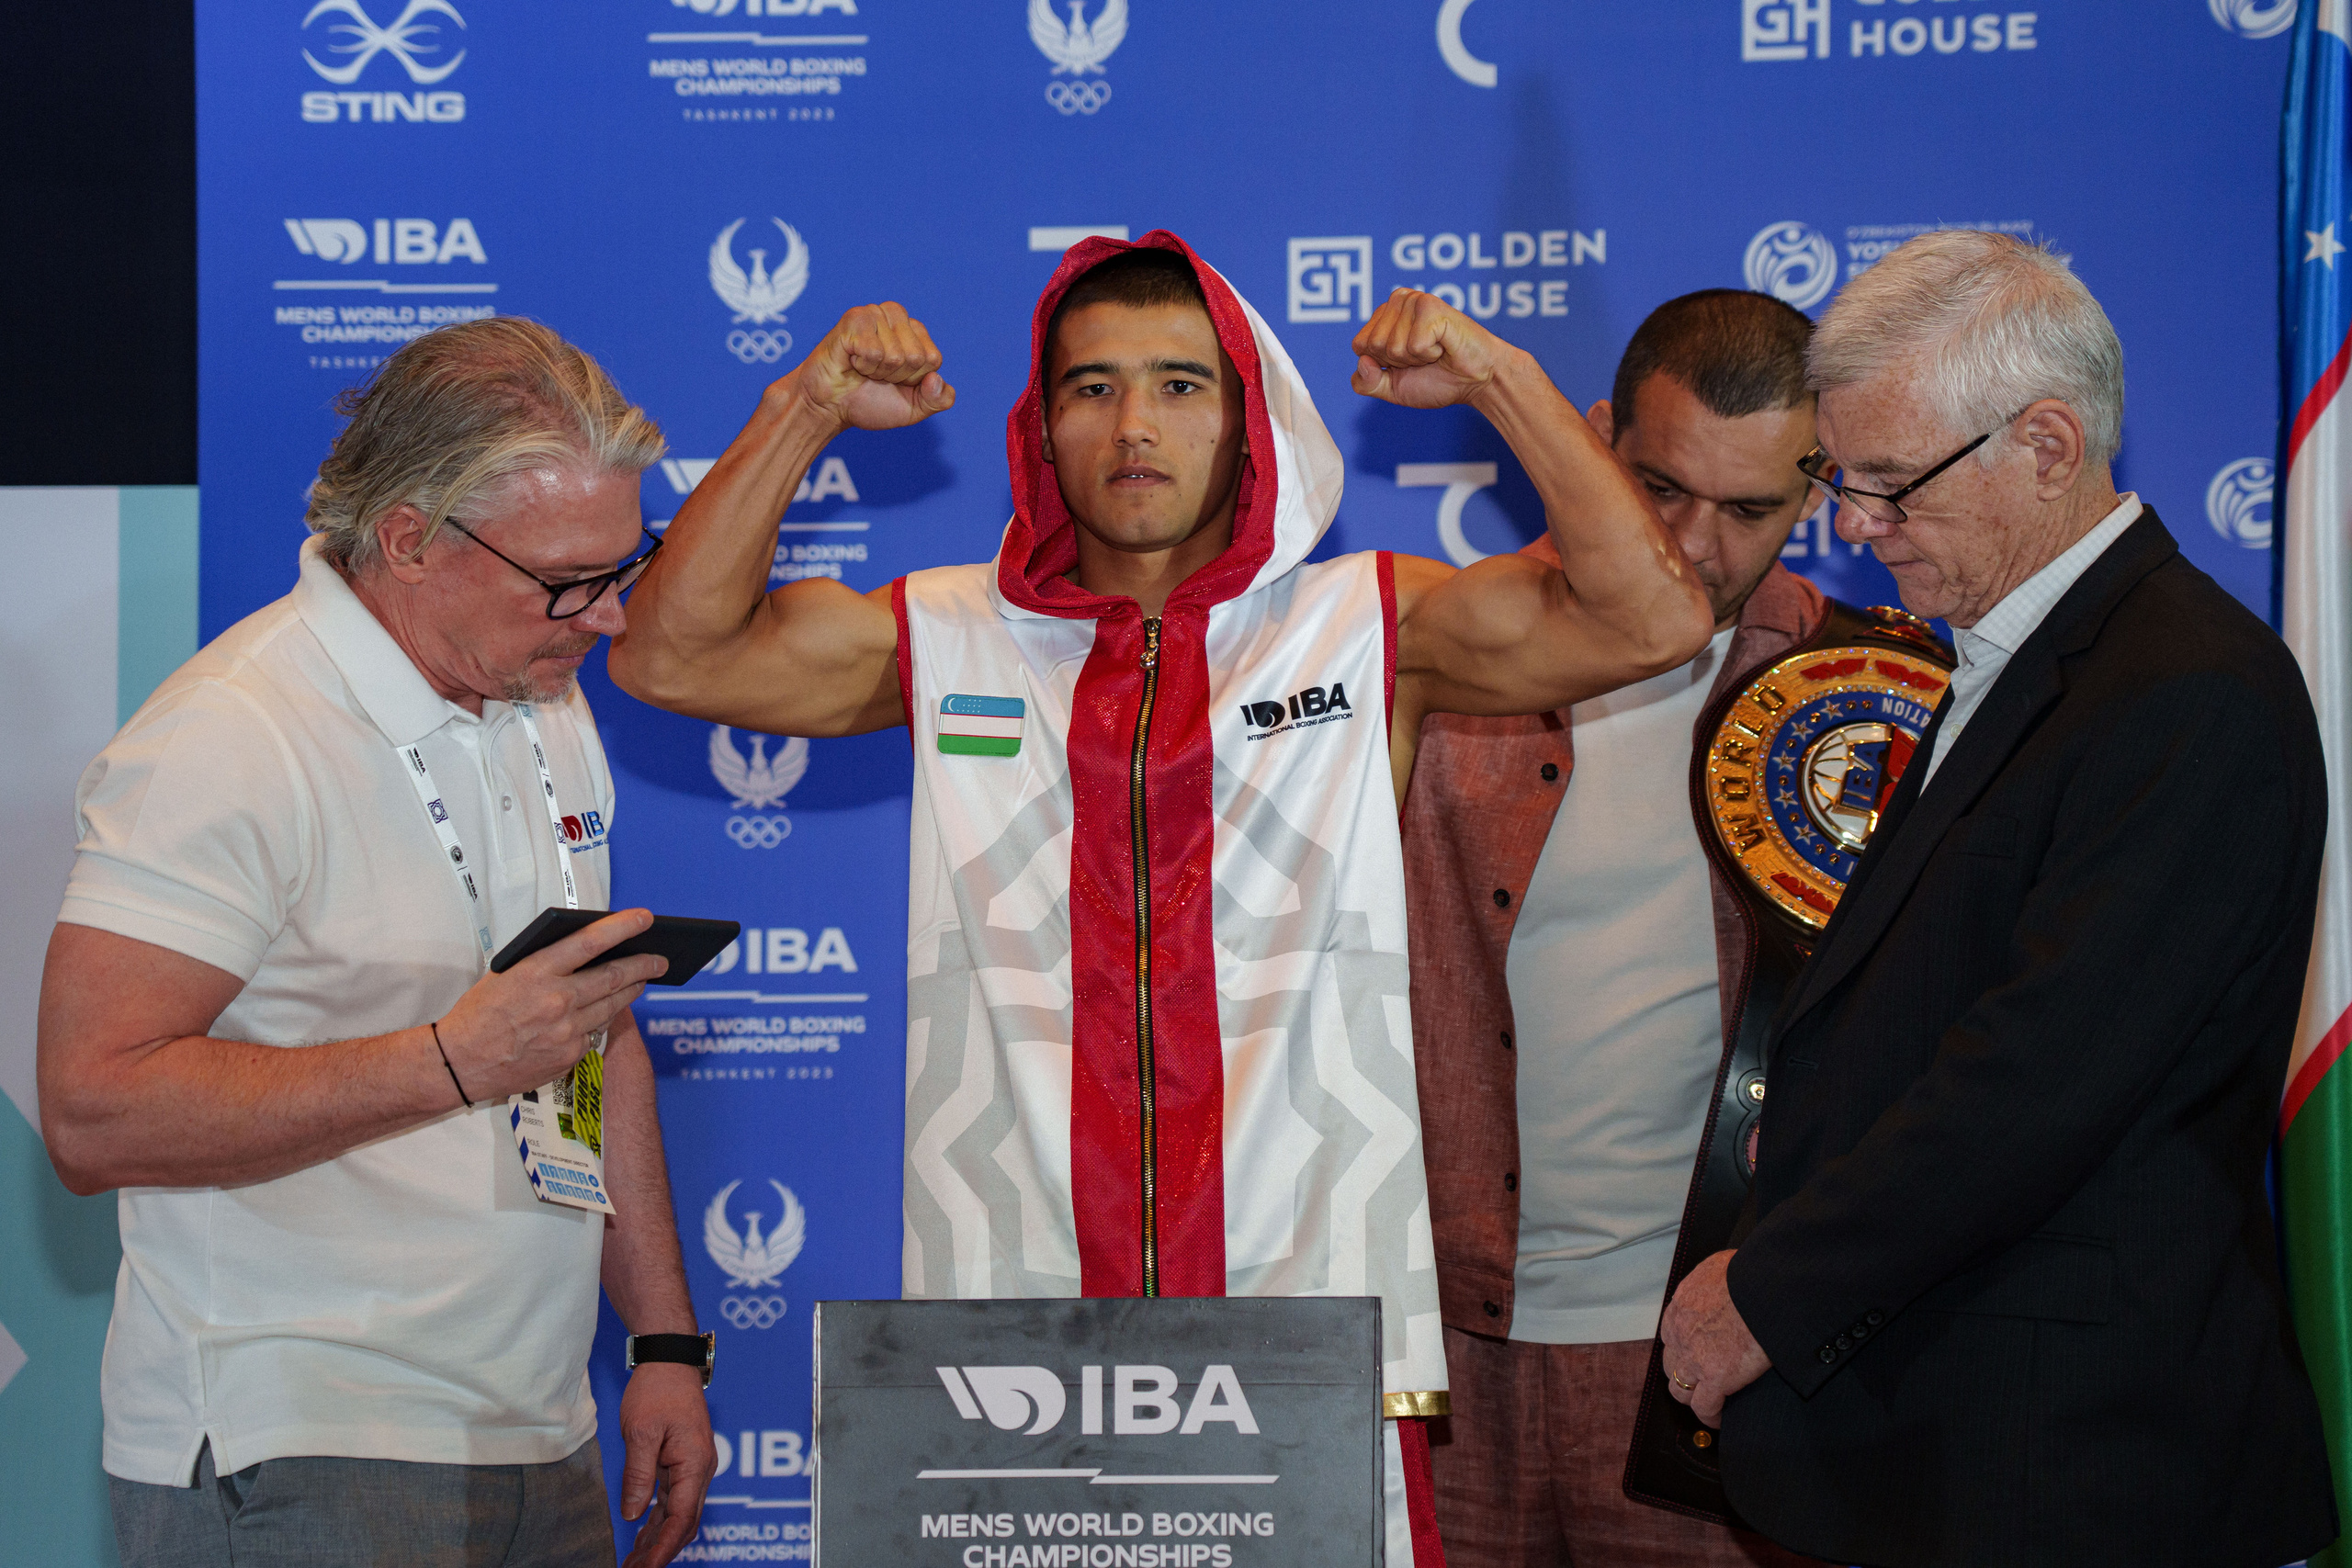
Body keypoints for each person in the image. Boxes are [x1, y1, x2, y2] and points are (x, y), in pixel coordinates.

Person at [610, 230, 1713, 1562]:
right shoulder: (951, 632)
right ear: (1041, 424)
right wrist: (807, 407)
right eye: (1093, 387)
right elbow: (670, 655)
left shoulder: (1365, 627)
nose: (1136, 424)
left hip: (1304, 1331)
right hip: (1008, 1350)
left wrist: (1497, 373)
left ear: (1253, 425)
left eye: (1183, 385)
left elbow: (1653, 620)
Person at [1658, 231, 2341, 1567]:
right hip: (1963, 1443)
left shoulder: (2188, 691)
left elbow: (2038, 1077)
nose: (1855, 528)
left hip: (2073, 1461)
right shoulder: (2025, 660)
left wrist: (1771, 1294)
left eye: (1892, 486)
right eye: (1837, 482)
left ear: (2045, 443)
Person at [39, 318, 718, 1568]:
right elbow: (91, 1111)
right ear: (410, 539)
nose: (609, 617)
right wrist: (449, 1061)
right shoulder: (229, 739)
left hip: (538, 1430)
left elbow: (589, 1035)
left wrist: (665, 1344)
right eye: (568, 580)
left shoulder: (541, 698)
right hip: (300, 1441)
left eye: (625, 566)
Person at [1404, 288, 1852, 1567]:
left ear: (1815, 492)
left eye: (1753, 508)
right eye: (1658, 486)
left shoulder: (1865, 699)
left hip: (1709, 1357)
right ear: (1587, 440)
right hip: (1438, 1355)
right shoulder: (1435, 660)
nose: (1698, 548)